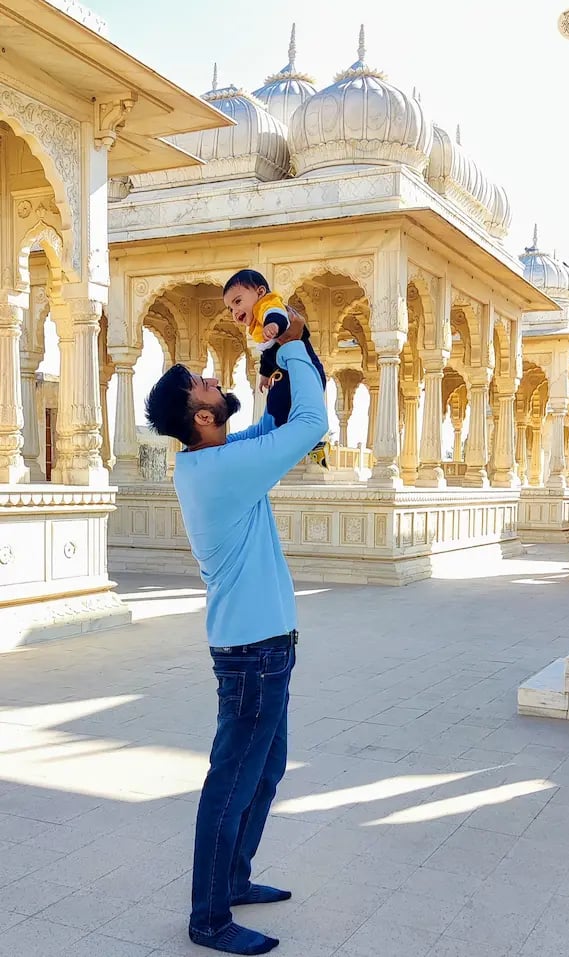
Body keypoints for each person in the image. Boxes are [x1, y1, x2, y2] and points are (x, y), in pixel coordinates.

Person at [145, 312, 328, 956]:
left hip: (264, 650)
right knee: (231, 781)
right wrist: (298, 345)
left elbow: (276, 425)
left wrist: (278, 354)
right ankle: (209, 917)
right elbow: (311, 426)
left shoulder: (219, 459)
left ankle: (236, 878)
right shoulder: (220, 471)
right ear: (200, 416)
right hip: (253, 658)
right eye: (199, 381)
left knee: (266, 769)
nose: (211, 377)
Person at [223, 269, 329, 468]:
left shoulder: (267, 306)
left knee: (285, 412)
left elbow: (278, 316)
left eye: (237, 302)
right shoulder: (257, 322)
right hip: (289, 376)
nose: (235, 312)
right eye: (230, 309)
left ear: (260, 292)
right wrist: (264, 375)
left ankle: (309, 445)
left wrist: (273, 326)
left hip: (304, 372)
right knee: (276, 407)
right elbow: (269, 354)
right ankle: (309, 445)